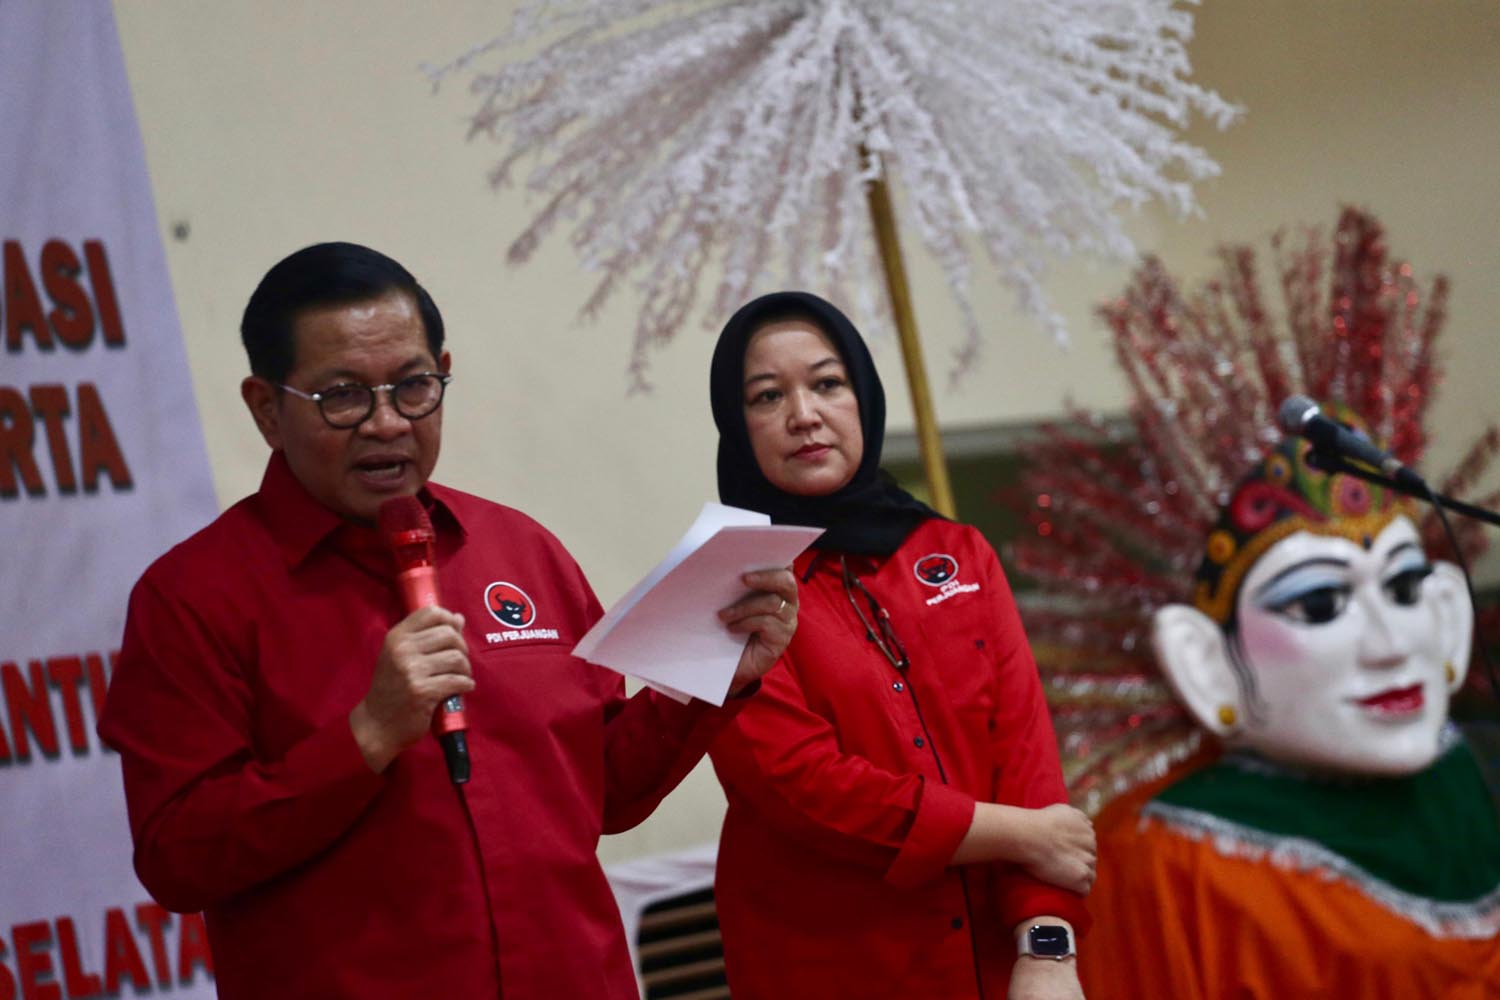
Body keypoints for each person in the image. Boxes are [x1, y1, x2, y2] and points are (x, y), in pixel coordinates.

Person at [97, 242, 799, 999]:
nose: (386, 423)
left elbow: (606, 793)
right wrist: (367, 736)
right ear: (267, 409)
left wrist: (709, 671)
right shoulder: (194, 597)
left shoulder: (520, 549)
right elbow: (178, 858)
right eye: (342, 396)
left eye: (413, 387)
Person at [704, 291, 1095, 1000]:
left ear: (864, 395)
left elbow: (1026, 757)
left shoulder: (956, 551)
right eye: (767, 396)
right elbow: (805, 789)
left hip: (1000, 964)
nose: (804, 414)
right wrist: (1016, 833)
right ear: (737, 426)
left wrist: (1047, 946)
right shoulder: (724, 586)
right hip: (836, 968)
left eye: (827, 383)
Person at [1075, 430, 1500, 997]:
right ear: (1206, 663)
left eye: (1403, 589)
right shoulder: (1164, 858)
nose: (1392, 643)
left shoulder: (1460, 774)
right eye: (1320, 604)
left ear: (1447, 612)